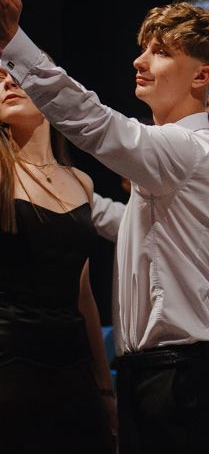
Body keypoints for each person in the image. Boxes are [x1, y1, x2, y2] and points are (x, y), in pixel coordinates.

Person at [0, 0, 209, 454]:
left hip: (181, 378)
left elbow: (96, 123)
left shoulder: (193, 150)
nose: (139, 60)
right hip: (162, 375)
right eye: (143, 48)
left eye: (160, 52)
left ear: (201, 76)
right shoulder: (171, 163)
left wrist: (15, 42)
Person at [0, 67, 116, 452]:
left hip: (73, 367)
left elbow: (84, 295)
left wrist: (104, 385)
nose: (7, 83)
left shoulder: (82, 182)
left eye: (16, 73)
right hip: (11, 366)